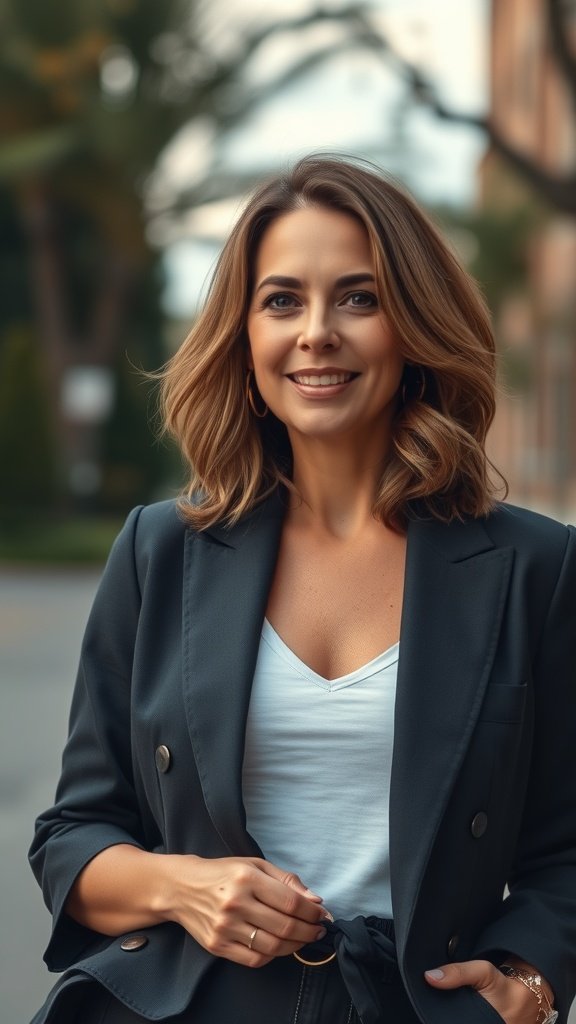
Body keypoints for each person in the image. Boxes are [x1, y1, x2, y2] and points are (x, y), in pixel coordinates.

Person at [29, 154, 576, 1024]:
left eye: (359, 298)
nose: (317, 331)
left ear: (415, 328)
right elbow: (72, 840)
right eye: (282, 300)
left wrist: (532, 981)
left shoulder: (536, 568)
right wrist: (187, 888)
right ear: (245, 337)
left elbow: (567, 848)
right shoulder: (159, 550)